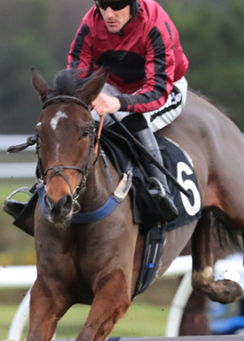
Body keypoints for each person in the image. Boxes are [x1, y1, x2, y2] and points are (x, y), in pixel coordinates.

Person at [68, 0, 188, 222]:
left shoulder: (156, 24)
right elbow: (77, 74)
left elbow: (157, 90)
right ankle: (44, 191)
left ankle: (160, 188)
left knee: (131, 119)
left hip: (165, 87)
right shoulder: (91, 21)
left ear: (133, 4)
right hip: (114, 85)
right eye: (103, 5)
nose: (109, 13)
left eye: (116, 4)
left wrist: (119, 103)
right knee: (71, 120)